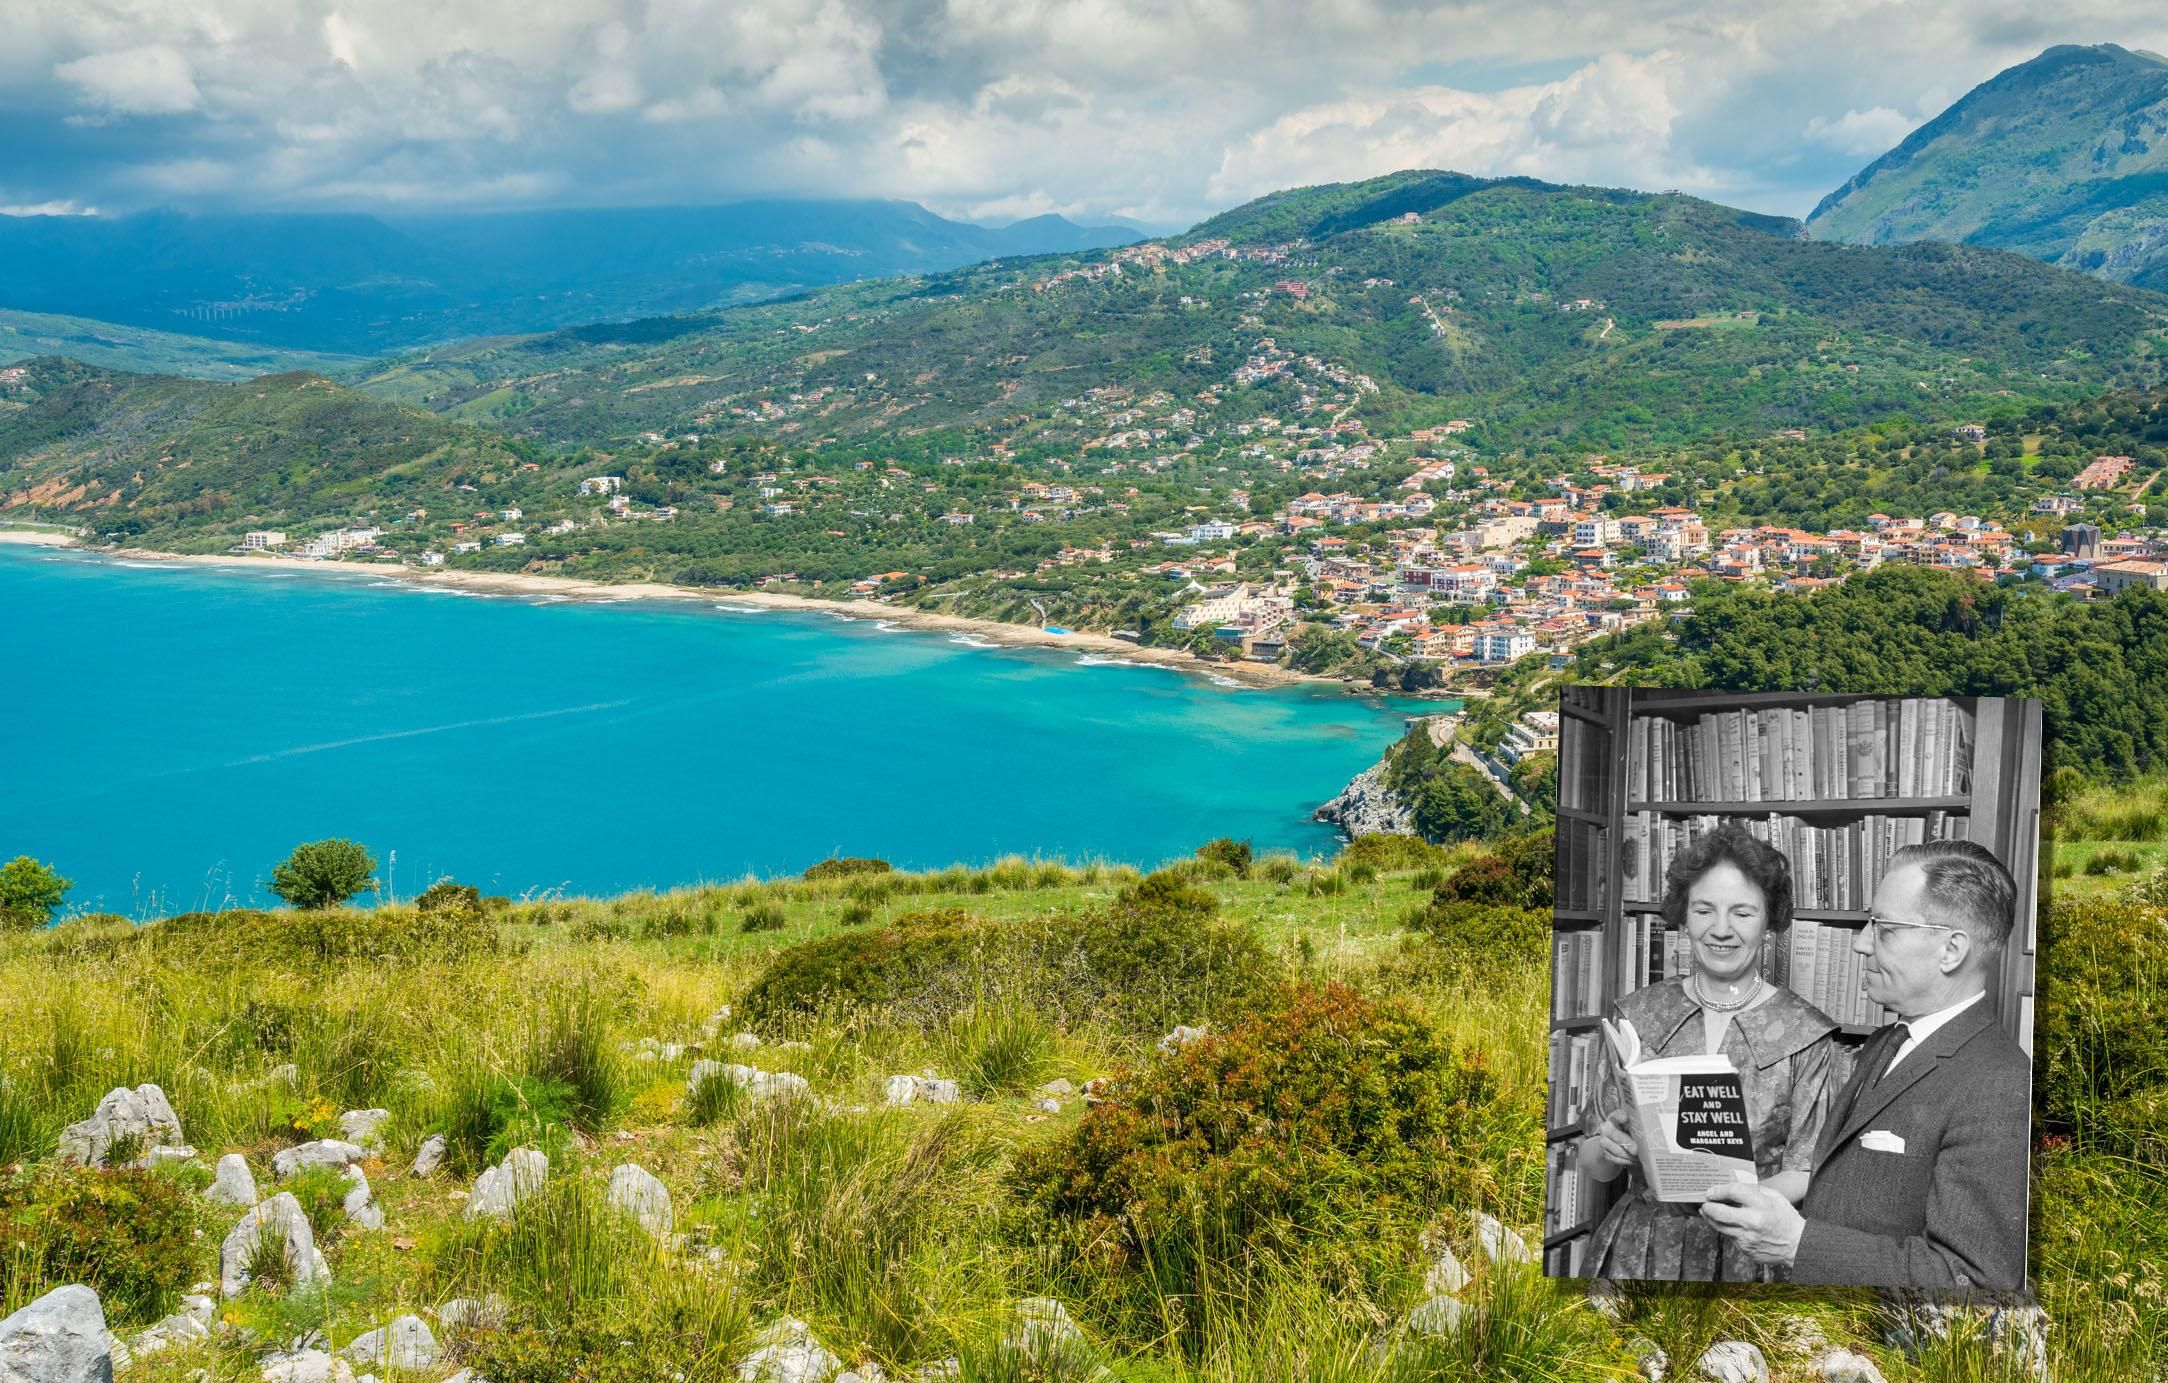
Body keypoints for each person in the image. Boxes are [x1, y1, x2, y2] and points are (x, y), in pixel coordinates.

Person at [1700, 838, 2031, 1290]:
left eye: (1884, 928)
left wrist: (1798, 1244)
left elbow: (1972, 1281)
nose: (1861, 944)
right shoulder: (1885, 1042)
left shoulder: (1999, 1082)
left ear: (1951, 950)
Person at [1578, 823, 1839, 1280]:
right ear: (1684, 917)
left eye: (1742, 913)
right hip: (1639, 1253)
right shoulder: (1635, 1015)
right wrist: (1607, 1146)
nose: (1721, 930)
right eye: (1704, 910)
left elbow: (1805, 1171)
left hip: (1746, 1252)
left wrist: (1724, 1200)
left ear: (1769, 922)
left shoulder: (1807, 1034)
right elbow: (1594, 1165)